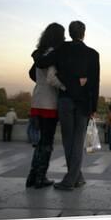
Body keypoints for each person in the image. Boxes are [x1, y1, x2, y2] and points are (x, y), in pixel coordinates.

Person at [34, 20, 100, 191]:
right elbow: (94, 83)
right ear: (83, 33)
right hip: (84, 102)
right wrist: (94, 108)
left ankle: (71, 180)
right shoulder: (93, 54)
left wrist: (36, 53)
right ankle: (76, 177)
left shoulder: (61, 49)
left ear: (70, 33)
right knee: (77, 142)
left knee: (68, 140)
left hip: (65, 100)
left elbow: (41, 62)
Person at [26, 23, 66, 189]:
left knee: (41, 142)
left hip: (37, 101)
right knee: (47, 142)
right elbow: (52, 78)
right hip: (49, 103)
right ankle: (41, 178)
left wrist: (41, 85)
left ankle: (33, 176)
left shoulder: (40, 53)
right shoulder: (53, 54)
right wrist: (65, 87)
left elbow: (32, 74)